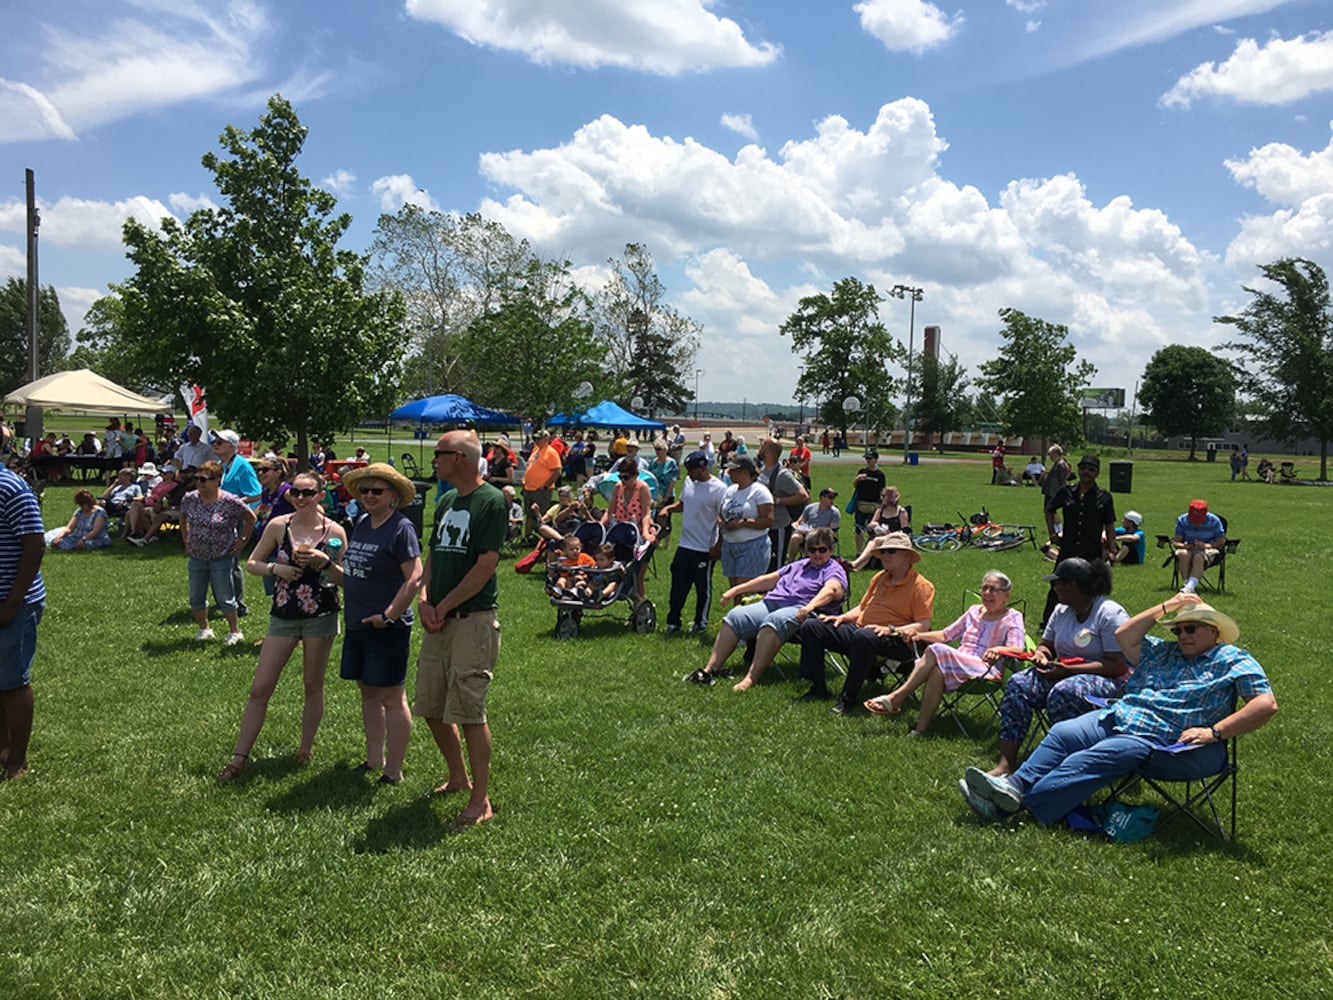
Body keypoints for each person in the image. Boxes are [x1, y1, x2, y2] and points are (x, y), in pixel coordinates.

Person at [959, 595, 1278, 827]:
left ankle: (1013, 807)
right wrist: (1169, 605)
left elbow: (1265, 704)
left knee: (1099, 755)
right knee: (1063, 733)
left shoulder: (1232, 658)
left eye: (1191, 629)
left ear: (1214, 631)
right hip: (1123, 717)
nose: (1182, 636)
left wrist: (1214, 732)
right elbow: (1124, 633)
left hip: (1171, 742)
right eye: (1178, 630)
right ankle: (1013, 785)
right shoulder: (1164, 652)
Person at [218, 471, 347, 780]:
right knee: (261, 687)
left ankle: (305, 749)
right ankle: (238, 758)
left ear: (320, 494)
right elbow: (252, 563)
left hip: (321, 615)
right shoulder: (279, 526)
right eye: (296, 493)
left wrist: (324, 562)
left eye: (308, 492)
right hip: (283, 614)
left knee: (312, 684)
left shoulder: (335, 531)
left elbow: (345, 578)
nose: (301, 498)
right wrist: (277, 568)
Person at [415, 430, 506, 827]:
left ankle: (480, 801)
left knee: (469, 712)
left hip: (472, 621)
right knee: (431, 706)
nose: (434, 459)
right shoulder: (447, 498)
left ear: (462, 459)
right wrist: (424, 600)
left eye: (440, 454)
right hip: (439, 618)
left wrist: (444, 605)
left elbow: (485, 568)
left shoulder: (491, 501)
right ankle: (458, 777)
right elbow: (434, 553)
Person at [987, 558, 1129, 777]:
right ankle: (1006, 763)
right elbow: (1046, 645)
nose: (1054, 588)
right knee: (1019, 684)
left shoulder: (1109, 614)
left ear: (1071, 586)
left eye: (1057, 583)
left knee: (1064, 692)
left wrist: (1070, 671)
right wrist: (1042, 655)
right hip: (1062, 672)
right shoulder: (1061, 610)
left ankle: (1064, 765)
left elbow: (1118, 665)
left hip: (1107, 679)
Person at [337, 463, 423, 785]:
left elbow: (414, 577)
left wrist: (389, 615)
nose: (369, 495)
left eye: (377, 491)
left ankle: (394, 771)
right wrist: (325, 567)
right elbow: (353, 575)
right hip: (359, 622)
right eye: (364, 490)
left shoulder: (401, 528)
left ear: (393, 497)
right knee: (368, 693)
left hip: (386, 627)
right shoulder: (362, 523)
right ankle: (375, 759)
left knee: (391, 697)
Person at [864, 571, 1025, 735]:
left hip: (985, 669)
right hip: (961, 663)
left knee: (937, 649)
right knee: (936, 671)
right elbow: (945, 635)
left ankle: (897, 696)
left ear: (1006, 595)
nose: (987, 593)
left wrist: (998, 649)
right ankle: (920, 729)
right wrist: (918, 635)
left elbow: (1018, 648)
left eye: (993, 589)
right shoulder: (974, 611)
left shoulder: (1012, 617)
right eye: (984, 588)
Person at [684, 528, 846, 691]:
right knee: (735, 616)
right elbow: (769, 580)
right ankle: (710, 670)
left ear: (830, 550)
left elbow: (832, 590)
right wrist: (736, 590)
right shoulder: (799, 565)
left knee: (773, 621)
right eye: (812, 549)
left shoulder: (833, 569)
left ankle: (751, 678)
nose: (817, 554)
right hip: (771, 602)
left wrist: (810, 606)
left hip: (802, 610)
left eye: (822, 550)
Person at [794, 532, 935, 714]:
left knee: (864, 637)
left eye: (891, 552)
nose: (885, 556)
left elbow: (923, 625)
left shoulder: (921, 586)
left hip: (897, 639)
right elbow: (863, 608)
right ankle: (817, 688)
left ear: (907, 556)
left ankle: (848, 698)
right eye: (883, 552)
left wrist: (889, 629)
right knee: (813, 626)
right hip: (863, 630)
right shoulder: (879, 578)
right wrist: (841, 618)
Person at [0, 463, 45, 780]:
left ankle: (16, 759)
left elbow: (34, 544)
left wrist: (13, 600)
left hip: (11, 601)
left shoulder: (10, 487)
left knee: (12, 681)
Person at [180, 460, 256, 645]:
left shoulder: (230, 501)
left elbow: (250, 519)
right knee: (196, 596)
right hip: (197, 556)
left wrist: (242, 541)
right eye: (197, 479)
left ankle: (234, 632)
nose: (199, 483)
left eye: (204, 479)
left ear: (217, 481)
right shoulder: (190, 498)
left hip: (221, 556)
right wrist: (186, 537)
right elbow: (183, 515)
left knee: (225, 596)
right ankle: (204, 629)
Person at [1042, 454, 1116, 627]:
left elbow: (1109, 523)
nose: (1086, 472)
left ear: (1097, 473)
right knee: (1058, 583)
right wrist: (1052, 534)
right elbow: (1049, 510)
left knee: (1092, 585)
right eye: (1083, 468)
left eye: (1091, 470)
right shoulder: (1066, 492)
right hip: (1068, 546)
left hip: (1091, 548)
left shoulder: (1104, 497)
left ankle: (1090, 619)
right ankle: (1048, 621)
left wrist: (1112, 548)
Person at [661, 450, 727, 636]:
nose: (688, 473)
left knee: (702, 588)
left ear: (703, 468)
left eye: (692, 470)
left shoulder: (719, 489)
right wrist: (667, 509)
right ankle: (673, 622)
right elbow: (683, 504)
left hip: (705, 547)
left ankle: (700, 623)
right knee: (678, 585)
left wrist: (718, 546)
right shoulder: (690, 482)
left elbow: (722, 519)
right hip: (685, 545)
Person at [213, 429, 262, 618]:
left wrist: (233, 503)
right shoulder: (220, 465)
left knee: (232, 561)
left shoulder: (242, 466)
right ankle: (224, 599)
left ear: (231, 446)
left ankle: (238, 604)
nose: (215, 444)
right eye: (215, 442)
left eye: (220, 442)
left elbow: (255, 493)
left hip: (239, 518)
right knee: (220, 561)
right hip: (222, 519)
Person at [601, 455, 658, 604]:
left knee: (637, 576)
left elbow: (646, 513)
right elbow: (610, 511)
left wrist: (645, 533)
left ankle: (640, 607)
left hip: (639, 535)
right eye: (620, 476)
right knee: (619, 572)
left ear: (635, 475)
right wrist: (601, 527)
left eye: (626, 477)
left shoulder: (642, 488)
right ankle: (631, 598)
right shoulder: (618, 487)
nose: (623, 481)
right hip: (621, 534)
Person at [717, 455, 773, 590]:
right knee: (734, 588)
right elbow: (721, 513)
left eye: (733, 470)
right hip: (730, 544)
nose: (729, 473)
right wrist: (721, 522)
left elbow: (768, 520)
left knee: (744, 590)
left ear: (745, 472)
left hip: (752, 545)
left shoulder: (759, 491)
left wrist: (743, 523)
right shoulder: (730, 491)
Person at [757, 438, 809, 572]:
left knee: (776, 568)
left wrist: (778, 500)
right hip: (764, 526)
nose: (759, 449)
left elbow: (803, 495)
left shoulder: (782, 474)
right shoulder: (764, 469)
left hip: (778, 527)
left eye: (762, 446)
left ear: (767, 453)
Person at [1172, 499, 1226, 594]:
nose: (1196, 523)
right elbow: (1176, 542)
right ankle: (1187, 585)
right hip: (1189, 548)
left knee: (1198, 557)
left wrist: (1206, 545)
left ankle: (1189, 587)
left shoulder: (1214, 521)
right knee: (1183, 554)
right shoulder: (1182, 520)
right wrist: (1184, 546)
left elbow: (1221, 541)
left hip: (1209, 549)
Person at [521, 429, 562, 541]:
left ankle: (543, 538)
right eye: (535, 438)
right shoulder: (536, 449)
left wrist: (545, 485)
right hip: (529, 488)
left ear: (546, 439)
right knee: (529, 513)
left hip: (541, 490)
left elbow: (557, 471)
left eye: (538, 439)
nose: (536, 441)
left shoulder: (551, 452)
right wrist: (525, 478)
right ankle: (527, 537)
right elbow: (530, 466)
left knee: (540, 514)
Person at [787, 487, 841, 562]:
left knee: (811, 540)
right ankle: (791, 562)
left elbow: (833, 531)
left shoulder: (835, 512)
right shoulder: (810, 508)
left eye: (833, 498)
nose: (832, 500)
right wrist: (796, 526)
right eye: (830, 497)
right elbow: (799, 521)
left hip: (823, 536)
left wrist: (817, 532)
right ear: (822, 497)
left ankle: (808, 562)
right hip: (807, 533)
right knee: (795, 537)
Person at [44, 490, 111, 551]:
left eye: (82, 504)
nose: (81, 506)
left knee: (83, 545)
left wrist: (83, 539)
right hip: (77, 536)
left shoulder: (100, 513)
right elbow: (69, 528)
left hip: (95, 538)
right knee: (58, 542)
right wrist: (59, 537)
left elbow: (95, 531)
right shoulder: (79, 512)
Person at [851, 449, 886, 550]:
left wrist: (881, 504)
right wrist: (857, 479)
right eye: (866, 458)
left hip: (874, 505)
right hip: (861, 504)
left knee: (872, 530)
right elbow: (855, 486)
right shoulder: (862, 471)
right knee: (858, 528)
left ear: (875, 460)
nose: (868, 460)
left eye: (870, 458)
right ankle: (859, 551)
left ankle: (870, 550)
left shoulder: (880, 475)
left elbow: (882, 490)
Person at [1039, 444, 1071, 531]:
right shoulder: (1057, 464)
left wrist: (1063, 492)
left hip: (1054, 492)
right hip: (1050, 491)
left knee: (1052, 510)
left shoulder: (1061, 465)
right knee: (1049, 510)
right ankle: (1055, 529)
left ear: (1056, 453)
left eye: (1051, 454)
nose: (1050, 456)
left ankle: (1058, 529)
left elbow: (1063, 479)